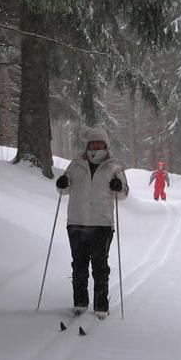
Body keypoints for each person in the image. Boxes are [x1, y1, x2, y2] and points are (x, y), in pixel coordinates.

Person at [55, 128, 129, 319]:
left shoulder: (114, 167)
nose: (96, 147)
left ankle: (101, 305)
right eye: (93, 144)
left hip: (102, 223)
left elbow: (123, 195)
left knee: (100, 266)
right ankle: (80, 303)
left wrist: (118, 187)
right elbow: (63, 190)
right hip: (76, 222)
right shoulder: (76, 164)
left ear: (105, 145)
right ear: (88, 145)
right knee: (79, 265)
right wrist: (62, 183)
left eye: (99, 144)